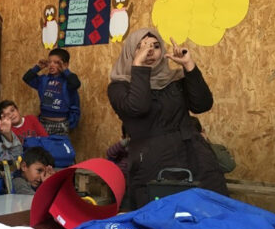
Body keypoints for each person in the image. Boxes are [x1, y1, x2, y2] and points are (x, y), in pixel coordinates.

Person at [107, 27, 228, 209]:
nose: (150, 51)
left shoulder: (173, 79)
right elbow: (138, 108)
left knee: (210, 212)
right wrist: (139, 68)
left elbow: (202, 105)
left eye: (155, 46)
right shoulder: (119, 87)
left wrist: (188, 66)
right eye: (142, 47)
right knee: (160, 218)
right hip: (151, 161)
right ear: (130, 52)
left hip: (194, 155)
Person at [22, 48, 81, 135]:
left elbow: (76, 84)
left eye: (57, 63)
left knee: (57, 147)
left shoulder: (68, 81)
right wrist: (37, 67)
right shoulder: (44, 80)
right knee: (42, 147)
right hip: (43, 122)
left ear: (65, 65)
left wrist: (65, 70)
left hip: (61, 124)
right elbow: (26, 78)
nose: (51, 65)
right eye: (49, 62)